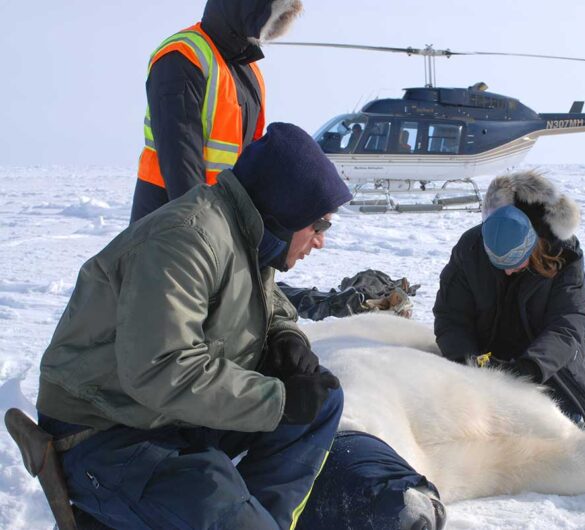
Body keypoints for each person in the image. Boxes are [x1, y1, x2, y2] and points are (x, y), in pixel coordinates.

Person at [36, 123, 352, 529]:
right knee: (234, 486)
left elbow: (268, 303)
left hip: (165, 415)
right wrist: (278, 400)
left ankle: (257, 520)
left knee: (322, 401)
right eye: (318, 225)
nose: (321, 240)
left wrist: (286, 338)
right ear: (285, 209)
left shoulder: (251, 233)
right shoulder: (185, 240)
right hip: (104, 430)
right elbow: (161, 368)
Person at [432, 170, 585, 426]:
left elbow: (568, 322)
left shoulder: (564, 253)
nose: (507, 271)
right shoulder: (469, 249)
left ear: (534, 245)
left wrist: (532, 368)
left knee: (571, 427)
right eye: (498, 264)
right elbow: (451, 316)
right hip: (485, 360)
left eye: (515, 263)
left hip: (549, 365)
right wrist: (466, 361)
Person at [131, 0, 304, 222]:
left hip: (219, 218)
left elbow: (250, 153)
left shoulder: (248, 69)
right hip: (169, 222)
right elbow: (180, 160)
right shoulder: (182, 56)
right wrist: (200, 229)